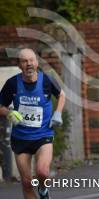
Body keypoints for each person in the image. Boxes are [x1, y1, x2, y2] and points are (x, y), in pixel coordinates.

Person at [0, 48, 65, 199]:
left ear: (36, 63)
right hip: (21, 138)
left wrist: (58, 113)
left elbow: (61, 95)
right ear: (19, 65)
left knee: (42, 172)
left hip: (43, 135)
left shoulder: (46, 80)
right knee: (27, 182)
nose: (29, 64)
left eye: (31, 60)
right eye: (24, 61)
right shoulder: (12, 84)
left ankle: (43, 190)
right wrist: (8, 113)